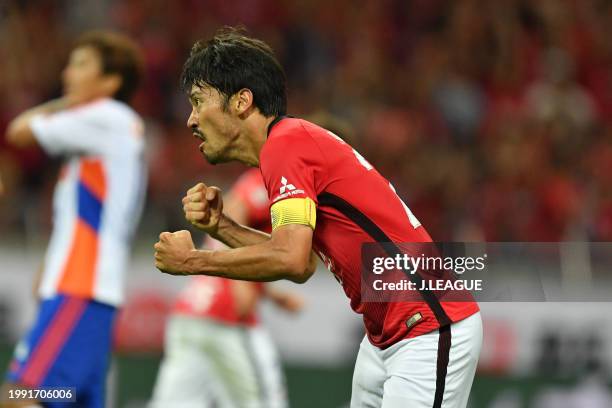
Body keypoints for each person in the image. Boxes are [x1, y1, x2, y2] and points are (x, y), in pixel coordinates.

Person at [154, 27, 482, 408]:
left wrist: (193, 260)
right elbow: (304, 260)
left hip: (428, 326)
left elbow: (290, 260)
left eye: (198, 101)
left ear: (242, 101)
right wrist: (222, 227)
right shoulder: (285, 147)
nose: (191, 119)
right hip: (386, 338)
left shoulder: (286, 147)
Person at [2, 31, 146, 408]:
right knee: (66, 398)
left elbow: (18, 131)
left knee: (22, 396)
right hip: (87, 290)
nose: (69, 72)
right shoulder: (108, 131)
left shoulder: (105, 116)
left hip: (79, 287)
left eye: (81, 65)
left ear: (111, 81)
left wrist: (69, 100)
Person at [150, 168, 303, 408]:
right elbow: (234, 208)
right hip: (226, 319)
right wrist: (241, 284)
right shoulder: (280, 175)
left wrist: (271, 295)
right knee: (264, 402)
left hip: (191, 312)